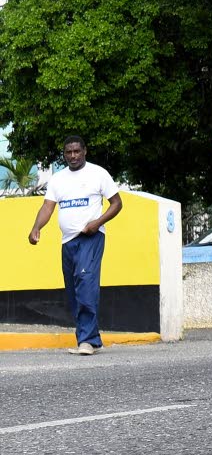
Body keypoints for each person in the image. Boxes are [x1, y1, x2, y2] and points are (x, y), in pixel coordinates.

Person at [26, 137, 122, 355]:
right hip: (67, 241)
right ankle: (92, 339)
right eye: (68, 152)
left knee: (85, 283)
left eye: (77, 151)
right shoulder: (58, 179)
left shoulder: (98, 174)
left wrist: (97, 223)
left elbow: (117, 203)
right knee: (73, 291)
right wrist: (36, 227)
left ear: (84, 151)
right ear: (64, 154)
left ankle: (86, 341)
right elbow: (47, 207)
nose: (73, 156)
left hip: (91, 238)